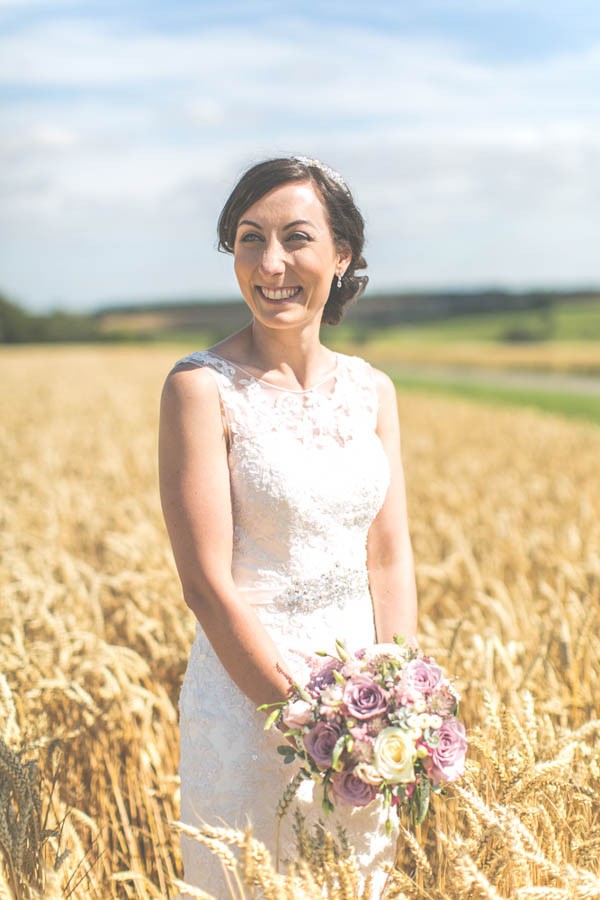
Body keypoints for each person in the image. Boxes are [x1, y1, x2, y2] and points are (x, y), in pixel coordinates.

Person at [159, 156, 418, 897]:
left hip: (367, 717)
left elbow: (390, 553)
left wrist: (395, 701)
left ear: (341, 257)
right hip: (248, 705)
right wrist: (309, 722)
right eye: (249, 239)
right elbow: (206, 585)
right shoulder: (199, 388)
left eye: (296, 238)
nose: (271, 264)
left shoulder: (373, 391)